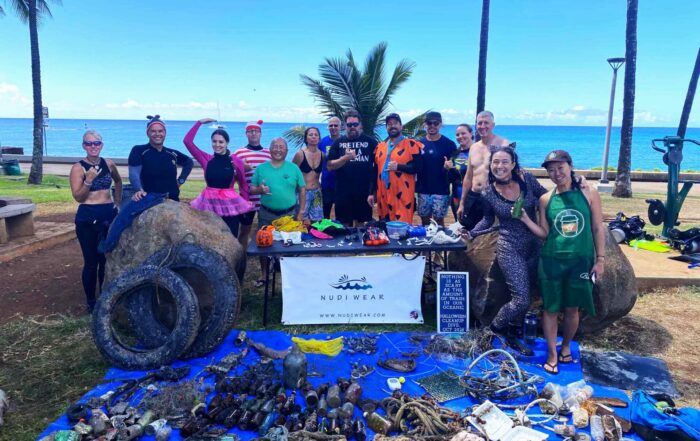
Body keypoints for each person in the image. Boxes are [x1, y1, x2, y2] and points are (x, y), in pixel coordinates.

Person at [517, 150, 606, 374]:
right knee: (550, 309)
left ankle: (565, 346)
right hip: (552, 261)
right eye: (551, 170)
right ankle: (552, 352)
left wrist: (600, 260)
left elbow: (597, 227)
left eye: (560, 168)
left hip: (581, 261)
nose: (556, 173)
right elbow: (545, 234)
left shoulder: (589, 193)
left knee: (572, 309)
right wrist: (526, 219)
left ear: (570, 165)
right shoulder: (546, 199)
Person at [467, 146, 547, 355]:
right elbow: (487, 219)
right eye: (495, 162)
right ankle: (492, 331)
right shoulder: (488, 192)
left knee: (527, 294)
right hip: (509, 247)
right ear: (490, 165)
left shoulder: (527, 180)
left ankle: (511, 334)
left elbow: (548, 197)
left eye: (504, 162)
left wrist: (574, 185)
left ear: (513, 164)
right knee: (521, 299)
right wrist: (472, 233)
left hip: (534, 245)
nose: (499, 166)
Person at [69, 130, 122, 312]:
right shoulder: (78, 168)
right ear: (84, 145)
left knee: (105, 260)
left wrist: (117, 203)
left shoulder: (108, 163)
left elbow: (118, 182)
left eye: (97, 143)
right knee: (91, 262)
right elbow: (78, 197)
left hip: (108, 214)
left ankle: (106, 298)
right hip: (88, 217)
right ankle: (91, 302)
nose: (93, 146)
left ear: (102, 145)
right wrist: (89, 180)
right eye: (89, 143)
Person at [183, 118, 253, 237]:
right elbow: (187, 141)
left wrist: (245, 203)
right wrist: (199, 123)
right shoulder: (206, 159)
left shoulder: (236, 162)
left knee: (231, 238)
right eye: (214, 141)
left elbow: (243, 184)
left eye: (221, 142)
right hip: (209, 206)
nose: (217, 145)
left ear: (227, 143)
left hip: (230, 207)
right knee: (209, 238)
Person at [457, 111, 510, 229]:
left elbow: (511, 174)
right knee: (469, 230)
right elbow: (469, 176)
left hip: (494, 197)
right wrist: (462, 203)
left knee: (491, 235)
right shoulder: (474, 147)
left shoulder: (504, 144)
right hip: (474, 196)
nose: (482, 126)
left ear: (493, 125)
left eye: (486, 123)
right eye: (479, 123)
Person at [327, 110, 378, 226]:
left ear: (360, 125)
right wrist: (345, 158)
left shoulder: (370, 142)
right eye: (349, 125)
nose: (352, 127)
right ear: (345, 126)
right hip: (343, 194)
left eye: (355, 124)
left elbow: (378, 166)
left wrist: (374, 191)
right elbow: (330, 166)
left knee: (362, 227)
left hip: (364, 194)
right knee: (344, 227)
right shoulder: (338, 143)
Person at [371, 113, 423, 221]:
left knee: (402, 229)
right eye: (389, 124)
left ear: (401, 126)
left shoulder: (411, 144)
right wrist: (372, 192)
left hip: (402, 195)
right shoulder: (380, 147)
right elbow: (375, 171)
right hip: (384, 195)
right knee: (385, 228)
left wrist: (399, 167)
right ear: (386, 128)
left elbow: (419, 168)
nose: (392, 126)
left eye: (395, 123)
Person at [129, 115, 193, 202]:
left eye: (160, 131)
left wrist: (181, 180)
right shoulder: (139, 150)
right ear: (147, 133)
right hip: (148, 201)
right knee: (122, 215)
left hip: (172, 201)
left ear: (165, 133)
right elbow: (134, 174)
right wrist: (138, 189)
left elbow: (189, 162)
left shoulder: (172, 153)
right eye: (153, 131)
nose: (157, 134)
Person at [233, 120, 272, 249]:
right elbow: (231, 174)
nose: (253, 133)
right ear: (246, 134)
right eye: (250, 131)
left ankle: (267, 255)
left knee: (267, 230)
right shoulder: (239, 153)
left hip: (265, 201)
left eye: (256, 131)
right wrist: (242, 169)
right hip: (246, 200)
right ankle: (241, 255)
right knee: (244, 230)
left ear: (260, 133)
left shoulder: (269, 153)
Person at [250, 138, 306, 226]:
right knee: (265, 239)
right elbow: (252, 189)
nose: (278, 150)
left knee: (288, 240)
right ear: (270, 150)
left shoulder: (294, 168)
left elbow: (302, 190)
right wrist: (259, 190)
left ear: (286, 151)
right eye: (275, 147)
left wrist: (301, 212)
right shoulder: (261, 168)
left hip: (289, 215)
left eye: (281, 147)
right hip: (266, 216)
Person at [416, 111, 457, 226]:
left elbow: (456, 167)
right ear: (425, 124)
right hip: (423, 189)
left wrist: (448, 167)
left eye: (436, 123)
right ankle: (425, 244)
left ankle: (440, 243)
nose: (432, 126)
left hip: (441, 190)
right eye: (429, 123)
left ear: (440, 124)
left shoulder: (449, 144)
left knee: (439, 222)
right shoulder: (419, 143)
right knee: (424, 220)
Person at [292, 126, 324, 222]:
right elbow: (292, 173)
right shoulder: (300, 154)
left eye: (316, 135)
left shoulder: (322, 155)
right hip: (303, 193)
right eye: (311, 135)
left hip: (317, 192)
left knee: (317, 222)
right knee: (300, 221)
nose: (313, 137)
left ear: (319, 138)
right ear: (306, 138)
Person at [446, 123, 473, 220]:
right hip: (456, 195)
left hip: (474, 197)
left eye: (463, 133)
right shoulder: (454, 154)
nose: (460, 137)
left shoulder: (477, 152)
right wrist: (447, 169)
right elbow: (451, 179)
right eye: (457, 135)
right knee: (459, 224)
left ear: (471, 133)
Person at [318, 117, 342, 219]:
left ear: (340, 127)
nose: (333, 127)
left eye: (335, 125)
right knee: (325, 214)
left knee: (341, 214)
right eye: (330, 125)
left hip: (342, 183)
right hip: (326, 183)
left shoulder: (345, 141)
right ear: (328, 127)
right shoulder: (322, 142)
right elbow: (317, 161)